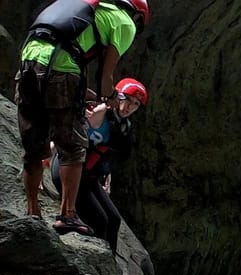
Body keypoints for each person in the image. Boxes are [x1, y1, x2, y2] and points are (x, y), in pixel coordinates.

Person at [16, 0, 150, 234]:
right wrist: (109, 97)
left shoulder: (83, 6)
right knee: (73, 147)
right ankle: (67, 215)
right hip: (62, 64)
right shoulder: (124, 22)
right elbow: (105, 77)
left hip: (29, 60)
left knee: (33, 146)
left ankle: (32, 212)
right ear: (137, 14)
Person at [51, 77, 147, 257]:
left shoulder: (123, 124)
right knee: (100, 221)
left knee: (114, 219)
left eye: (135, 104)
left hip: (89, 176)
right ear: (117, 96)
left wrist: (106, 173)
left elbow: (105, 152)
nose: (129, 107)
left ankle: (111, 265)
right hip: (70, 170)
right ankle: (98, 261)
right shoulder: (101, 112)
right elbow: (71, 130)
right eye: (127, 99)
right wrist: (49, 152)